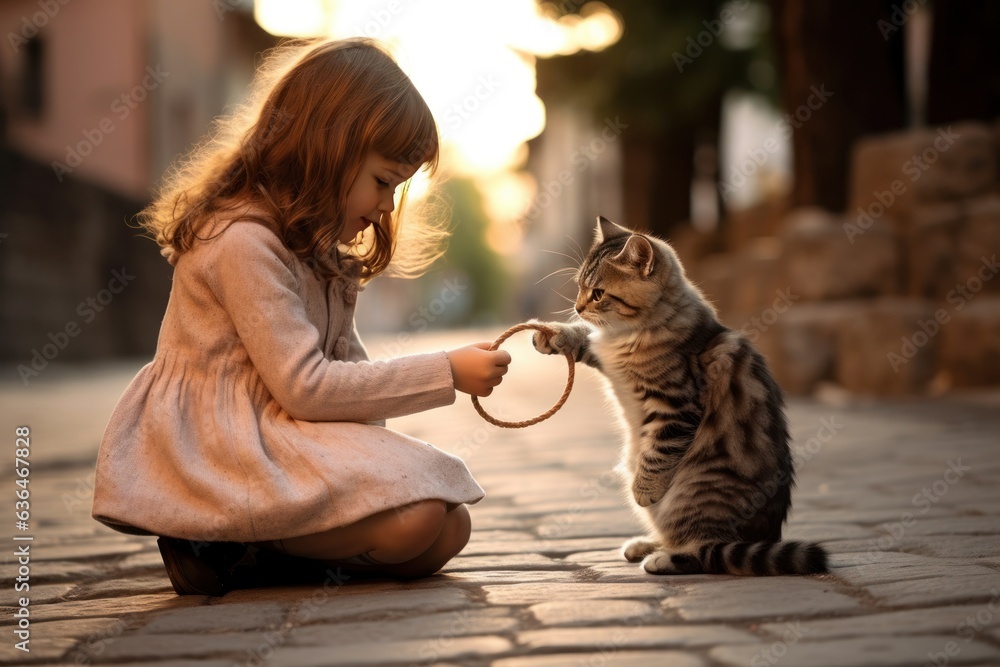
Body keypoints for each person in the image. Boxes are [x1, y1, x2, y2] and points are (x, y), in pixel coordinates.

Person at [90, 37, 511, 595]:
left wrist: (367, 464)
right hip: (229, 451)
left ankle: (260, 553)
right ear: (325, 151)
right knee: (418, 518)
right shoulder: (244, 243)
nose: (387, 206)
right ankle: (220, 539)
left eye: (397, 188)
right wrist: (446, 373)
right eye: (383, 182)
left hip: (286, 437)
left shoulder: (320, 255)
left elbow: (350, 382)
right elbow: (307, 389)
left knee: (446, 528)